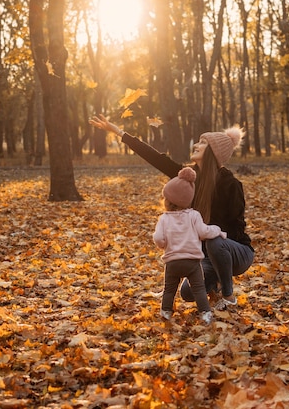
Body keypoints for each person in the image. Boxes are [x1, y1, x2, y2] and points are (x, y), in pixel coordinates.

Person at [89, 115, 254, 311]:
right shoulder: (189, 178)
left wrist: (212, 242)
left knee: (215, 239)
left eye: (203, 143)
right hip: (209, 255)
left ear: (213, 152)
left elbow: (236, 227)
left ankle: (228, 296)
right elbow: (156, 158)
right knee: (187, 293)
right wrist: (118, 132)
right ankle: (215, 282)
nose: (196, 145)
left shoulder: (231, 185)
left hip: (237, 252)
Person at [153, 167, 226, 324]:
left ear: (167, 200)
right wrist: (217, 230)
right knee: (199, 289)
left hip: (172, 262)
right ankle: (205, 314)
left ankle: (166, 312)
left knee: (169, 290)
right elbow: (205, 232)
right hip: (192, 263)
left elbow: (158, 238)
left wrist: (163, 244)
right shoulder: (194, 215)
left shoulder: (164, 219)